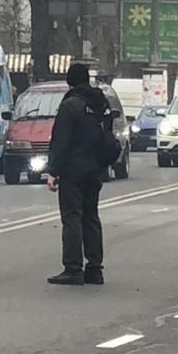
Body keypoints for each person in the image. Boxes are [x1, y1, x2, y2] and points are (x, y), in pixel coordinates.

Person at [46, 63, 110, 286]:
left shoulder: (70, 105)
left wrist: (52, 171)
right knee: (91, 216)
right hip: (95, 168)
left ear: (69, 81)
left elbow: (60, 141)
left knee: (72, 216)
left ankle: (73, 268)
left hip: (73, 170)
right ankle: (95, 269)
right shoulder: (99, 102)